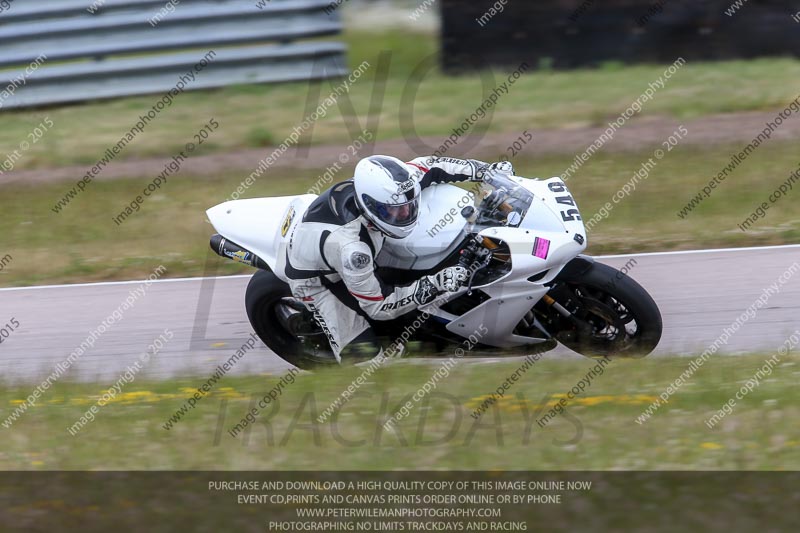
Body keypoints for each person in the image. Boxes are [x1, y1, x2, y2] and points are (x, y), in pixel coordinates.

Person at [284, 155, 514, 363]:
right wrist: (437, 283)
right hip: (319, 281)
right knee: (367, 364)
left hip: (362, 244)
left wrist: (488, 171)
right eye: (394, 211)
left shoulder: (395, 189)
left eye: (409, 206)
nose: (405, 215)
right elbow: (379, 306)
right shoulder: (352, 250)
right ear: (369, 205)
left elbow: (433, 165)